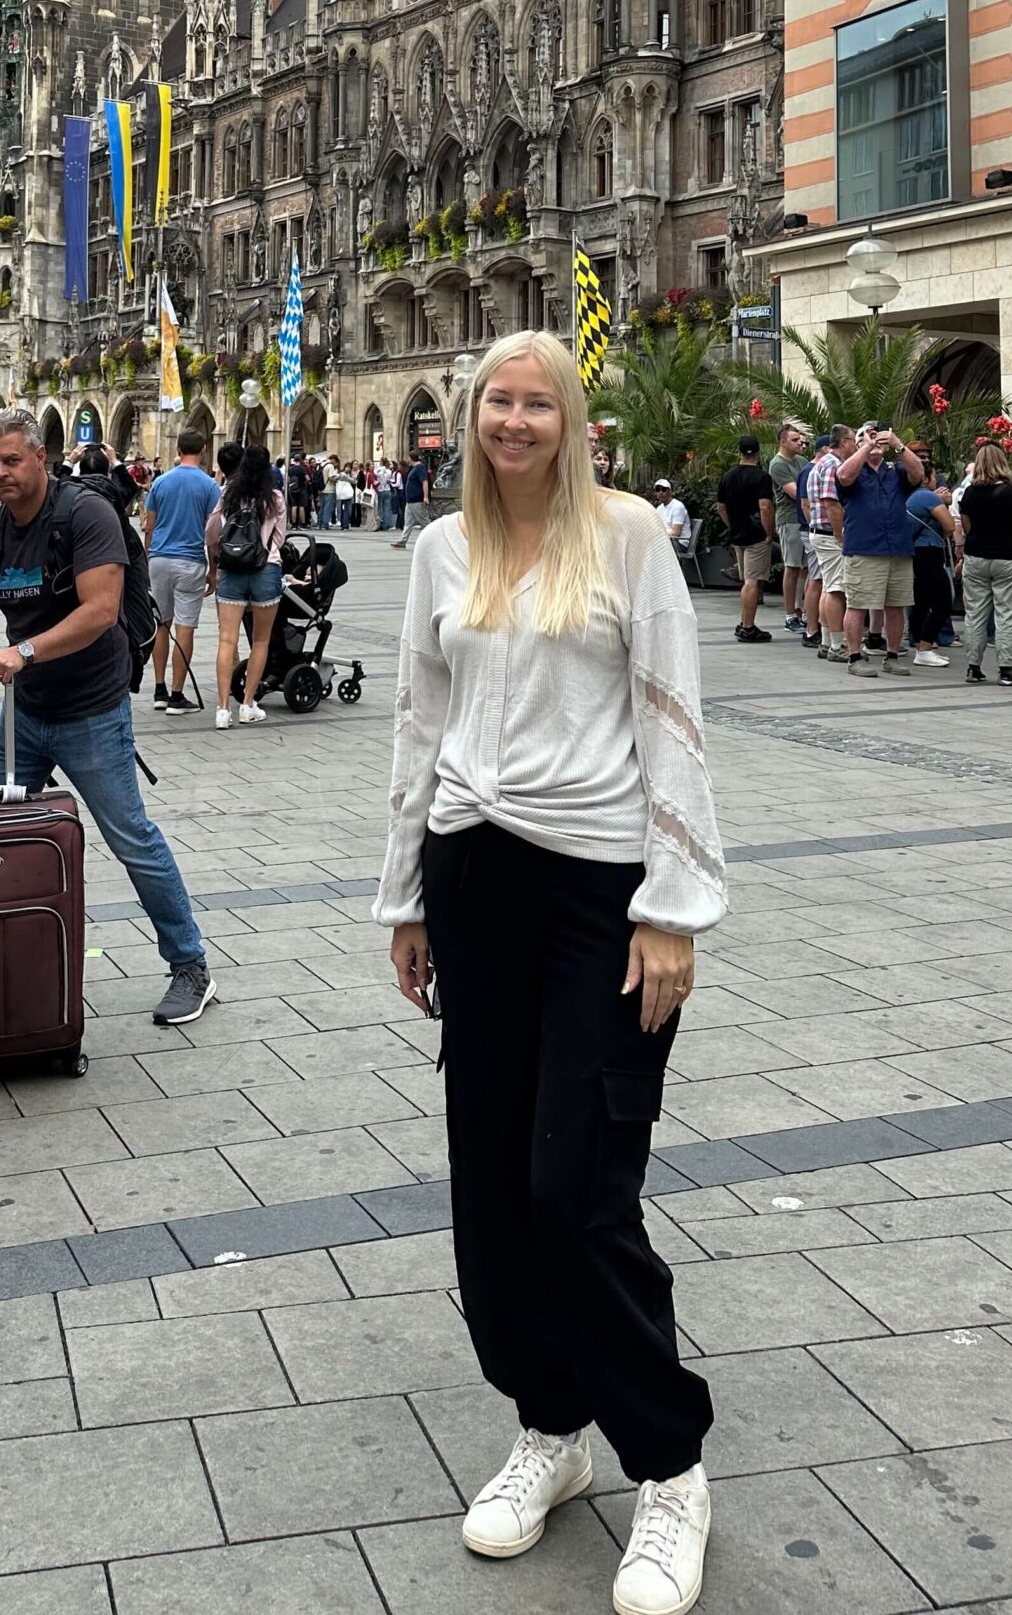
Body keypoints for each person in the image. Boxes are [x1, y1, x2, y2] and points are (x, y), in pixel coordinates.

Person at [377, 329, 725, 1613]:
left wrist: (674, 908)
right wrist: (405, 894)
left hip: (601, 893)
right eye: (495, 403)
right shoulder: (439, 550)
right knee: (491, 1185)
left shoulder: (630, 536)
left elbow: (671, 717)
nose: (513, 421)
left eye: (537, 403)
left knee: (575, 1183)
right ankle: (549, 1423)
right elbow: (422, 720)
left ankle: (671, 1466)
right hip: (474, 882)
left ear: (572, 420)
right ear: (469, 418)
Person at [0, 406, 215, 1027]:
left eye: (11, 460)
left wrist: (22, 650)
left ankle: (190, 963)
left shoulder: (84, 514)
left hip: (90, 707)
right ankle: (3, 955)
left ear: (41, 457)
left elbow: (101, 611)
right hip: (23, 711)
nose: (0, 473)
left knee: (131, 838)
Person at [206, 441, 286, 728]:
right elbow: (279, 538)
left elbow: (211, 531)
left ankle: (223, 709)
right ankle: (248, 704)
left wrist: (222, 551)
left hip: (231, 569)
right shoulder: (274, 498)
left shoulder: (229, 494)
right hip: (265, 568)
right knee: (261, 640)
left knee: (227, 639)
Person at [836, 422, 924, 676]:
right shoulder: (854, 468)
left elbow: (918, 473)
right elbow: (843, 476)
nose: (874, 439)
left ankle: (893, 655)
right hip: (864, 548)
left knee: (896, 605)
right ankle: (854, 657)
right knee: (858, 604)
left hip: (897, 547)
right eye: (865, 435)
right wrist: (865, 447)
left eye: (878, 436)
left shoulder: (895, 471)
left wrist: (898, 445)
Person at [144, 426, 220, 712]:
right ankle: (178, 695)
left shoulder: (161, 483)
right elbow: (212, 535)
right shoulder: (210, 486)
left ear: (177, 450)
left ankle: (159, 689)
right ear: (202, 451)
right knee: (185, 627)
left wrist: (147, 559)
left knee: (161, 624)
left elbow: (149, 526)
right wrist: (214, 570)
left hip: (159, 559)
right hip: (190, 560)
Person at [960, 440, 1012, 685]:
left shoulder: (969, 494)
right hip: (1009, 558)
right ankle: (1006, 670)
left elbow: (967, 529)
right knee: (1007, 613)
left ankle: (973, 668)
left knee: (974, 613)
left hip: (976, 557)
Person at [713, 437, 776, 644]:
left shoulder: (728, 476)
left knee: (745, 579)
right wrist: (768, 532)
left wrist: (732, 524)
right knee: (752, 581)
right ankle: (748, 627)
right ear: (757, 453)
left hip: (738, 534)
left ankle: (744, 622)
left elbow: (720, 507)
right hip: (756, 535)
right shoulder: (762, 478)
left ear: (740, 452)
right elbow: (765, 507)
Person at [803, 426, 853, 660]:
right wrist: (840, 535)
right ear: (844, 442)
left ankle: (825, 640)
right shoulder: (833, 464)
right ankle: (836, 644)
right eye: (853, 440)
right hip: (828, 534)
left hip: (819, 531)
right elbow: (831, 503)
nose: (855, 445)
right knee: (836, 589)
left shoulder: (819, 464)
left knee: (828, 586)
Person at [906, 468, 960, 670]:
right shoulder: (927, 496)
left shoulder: (913, 497)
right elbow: (950, 526)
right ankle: (926, 647)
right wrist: (943, 505)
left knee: (921, 602)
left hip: (916, 552)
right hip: (929, 551)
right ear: (925, 478)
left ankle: (919, 643)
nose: (937, 480)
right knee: (943, 602)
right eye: (934, 476)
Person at [768, 423, 809, 634]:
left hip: (804, 518)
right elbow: (796, 492)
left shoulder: (802, 461)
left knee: (804, 567)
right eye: (795, 440)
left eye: (800, 439)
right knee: (792, 567)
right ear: (783, 441)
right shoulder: (778, 464)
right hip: (789, 519)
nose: (800, 442)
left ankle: (801, 610)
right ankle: (789, 615)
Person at [397, 452, 430, 549]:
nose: (407, 460)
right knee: (408, 522)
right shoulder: (413, 468)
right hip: (410, 501)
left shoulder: (419, 468)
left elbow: (424, 482)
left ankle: (436, 538)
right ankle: (403, 541)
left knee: (424, 522)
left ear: (411, 458)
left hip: (417, 500)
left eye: (408, 458)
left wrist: (425, 497)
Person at [651, 477, 691, 553]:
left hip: (679, 543)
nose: (660, 492)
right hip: (666, 541)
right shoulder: (659, 509)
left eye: (663, 489)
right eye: (658, 490)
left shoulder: (678, 506)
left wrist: (658, 534)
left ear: (670, 492)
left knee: (652, 549)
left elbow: (675, 533)